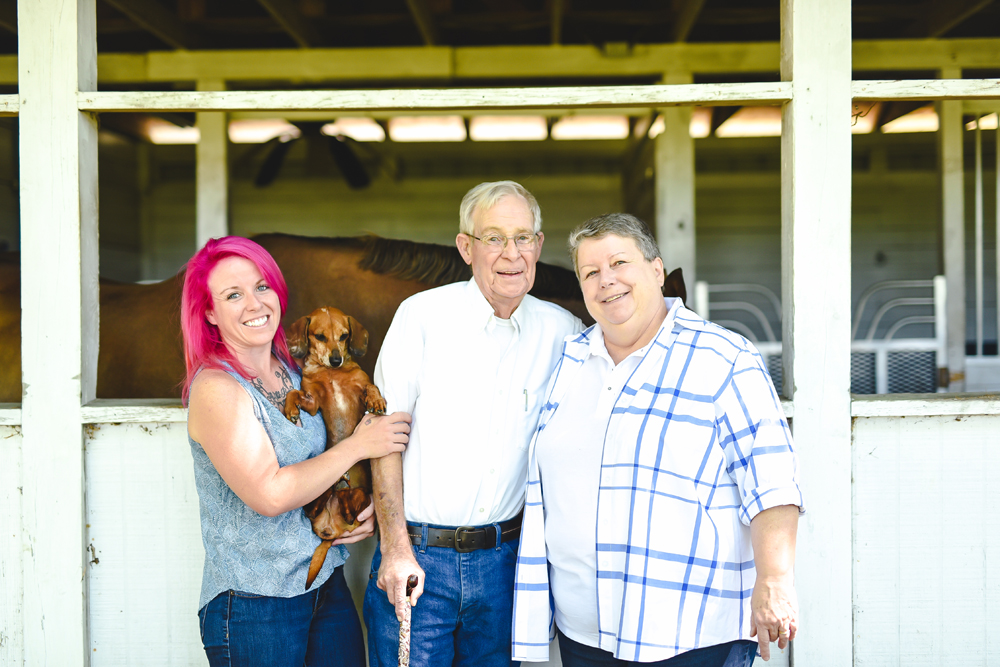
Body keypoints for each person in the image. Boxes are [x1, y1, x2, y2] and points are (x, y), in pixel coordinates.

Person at [512, 213, 804, 667]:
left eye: (619, 263)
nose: (606, 280)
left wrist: (775, 580)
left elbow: (772, 480)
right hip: (584, 635)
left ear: (656, 270)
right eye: (590, 272)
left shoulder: (724, 357)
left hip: (688, 634)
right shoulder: (571, 360)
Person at [363, 181, 584, 667]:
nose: (512, 253)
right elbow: (384, 441)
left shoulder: (563, 333)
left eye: (523, 238)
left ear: (539, 246)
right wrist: (395, 547)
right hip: (420, 558)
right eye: (494, 238)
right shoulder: (420, 317)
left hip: (508, 563)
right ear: (466, 247)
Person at [181, 236, 411, 667]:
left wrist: (351, 517)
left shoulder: (294, 373)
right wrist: (360, 445)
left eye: (261, 286)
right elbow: (270, 494)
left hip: (323, 582)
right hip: (255, 602)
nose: (254, 303)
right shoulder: (217, 389)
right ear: (210, 313)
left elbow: (323, 460)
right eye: (234, 295)